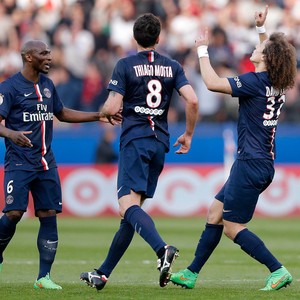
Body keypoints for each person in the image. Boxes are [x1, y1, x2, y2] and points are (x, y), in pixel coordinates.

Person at [170, 5, 297, 291]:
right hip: (258, 161)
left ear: (266, 59)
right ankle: (191, 273)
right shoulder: (274, 81)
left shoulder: (253, 82)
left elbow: (213, 83)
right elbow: (270, 51)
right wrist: (262, 29)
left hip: (251, 162)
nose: (254, 49)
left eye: (259, 48)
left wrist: (202, 50)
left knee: (232, 227)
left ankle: (277, 270)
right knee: (214, 214)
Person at [80, 13, 199, 290]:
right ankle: (102, 273)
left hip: (135, 140)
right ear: (159, 38)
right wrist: (189, 135)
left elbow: (110, 109)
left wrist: (110, 111)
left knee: (126, 205)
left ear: (134, 38)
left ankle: (162, 249)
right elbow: (192, 100)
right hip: (160, 142)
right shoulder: (172, 66)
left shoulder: (125, 65)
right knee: (132, 213)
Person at [0, 40, 120, 289]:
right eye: (43, 53)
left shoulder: (48, 85)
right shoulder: (9, 87)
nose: (49, 57)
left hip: (46, 163)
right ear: (28, 57)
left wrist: (99, 115)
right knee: (13, 213)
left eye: (49, 53)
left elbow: (62, 113)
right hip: (19, 163)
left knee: (48, 214)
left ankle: (43, 277)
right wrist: (11, 134)